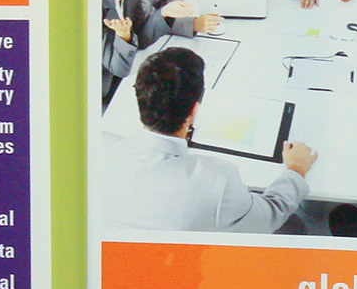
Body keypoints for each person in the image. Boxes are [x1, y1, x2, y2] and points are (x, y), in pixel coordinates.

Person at [97, 47, 317, 233]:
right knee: (295, 227)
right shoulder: (216, 178)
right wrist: (296, 169)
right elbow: (268, 216)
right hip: (187, 265)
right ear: (194, 110)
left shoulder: (96, 147)